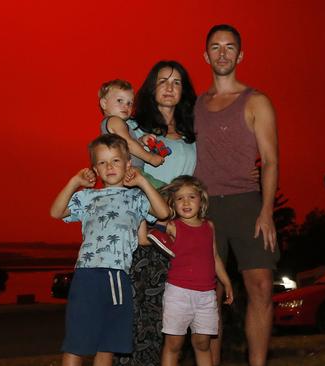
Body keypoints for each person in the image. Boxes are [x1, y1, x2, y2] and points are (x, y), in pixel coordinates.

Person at [194, 24, 280, 366]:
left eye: (230, 47)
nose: (223, 53)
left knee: (260, 287)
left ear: (240, 55)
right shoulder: (196, 105)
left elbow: (271, 160)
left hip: (247, 203)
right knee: (209, 295)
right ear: (206, 55)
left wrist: (267, 211)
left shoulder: (256, 100)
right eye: (215, 47)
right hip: (205, 208)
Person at [49, 134, 170, 366]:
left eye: (116, 161)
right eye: (102, 162)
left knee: (108, 342)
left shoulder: (136, 197)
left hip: (117, 275)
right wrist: (75, 182)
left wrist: (143, 181)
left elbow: (163, 212)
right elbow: (56, 212)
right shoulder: (87, 197)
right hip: (86, 274)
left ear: (128, 165)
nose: (110, 167)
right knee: (77, 340)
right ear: (95, 169)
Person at [113, 60, 198, 366]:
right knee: (138, 317)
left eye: (177, 82)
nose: (169, 87)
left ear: (184, 91)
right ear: (151, 88)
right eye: (163, 81)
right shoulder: (135, 129)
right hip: (146, 232)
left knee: (172, 321)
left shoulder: (192, 135)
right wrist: (138, 227)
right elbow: (126, 177)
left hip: (180, 234)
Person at [159, 175, 234, 366]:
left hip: (206, 295)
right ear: (172, 203)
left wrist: (226, 282)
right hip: (178, 293)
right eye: (180, 198)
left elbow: (214, 256)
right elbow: (147, 225)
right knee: (174, 344)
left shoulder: (209, 226)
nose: (186, 202)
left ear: (201, 199)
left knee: (203, 343)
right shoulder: (172, 227)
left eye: (191, 197)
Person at [98, 79, 167, 189]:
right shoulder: (114, 121)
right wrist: (150, 158)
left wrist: (141, 140)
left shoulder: (120, 124)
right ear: (104, 103)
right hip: (129, 172)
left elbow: (125, 144)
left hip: (130, 173)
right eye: (120, 100)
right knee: (165, 191)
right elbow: (128, 144)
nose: (126, 106)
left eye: (129, 103)